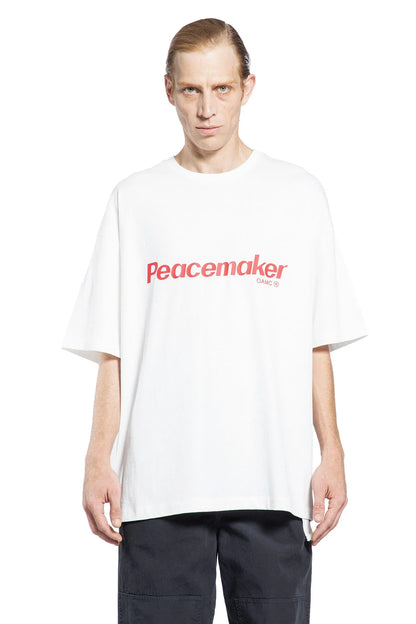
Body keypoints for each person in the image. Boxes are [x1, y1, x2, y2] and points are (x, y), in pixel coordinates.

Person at [61, 17, 368, 624]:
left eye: (222, 89)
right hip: (159, 490)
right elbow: (111, 348)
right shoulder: (135, 200)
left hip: (271, 484)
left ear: (247, 87)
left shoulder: (297, 195)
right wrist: (98, 459)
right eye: (192, 90)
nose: (207, 109)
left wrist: (332, 451)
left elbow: (316, 342)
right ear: (169, 90)